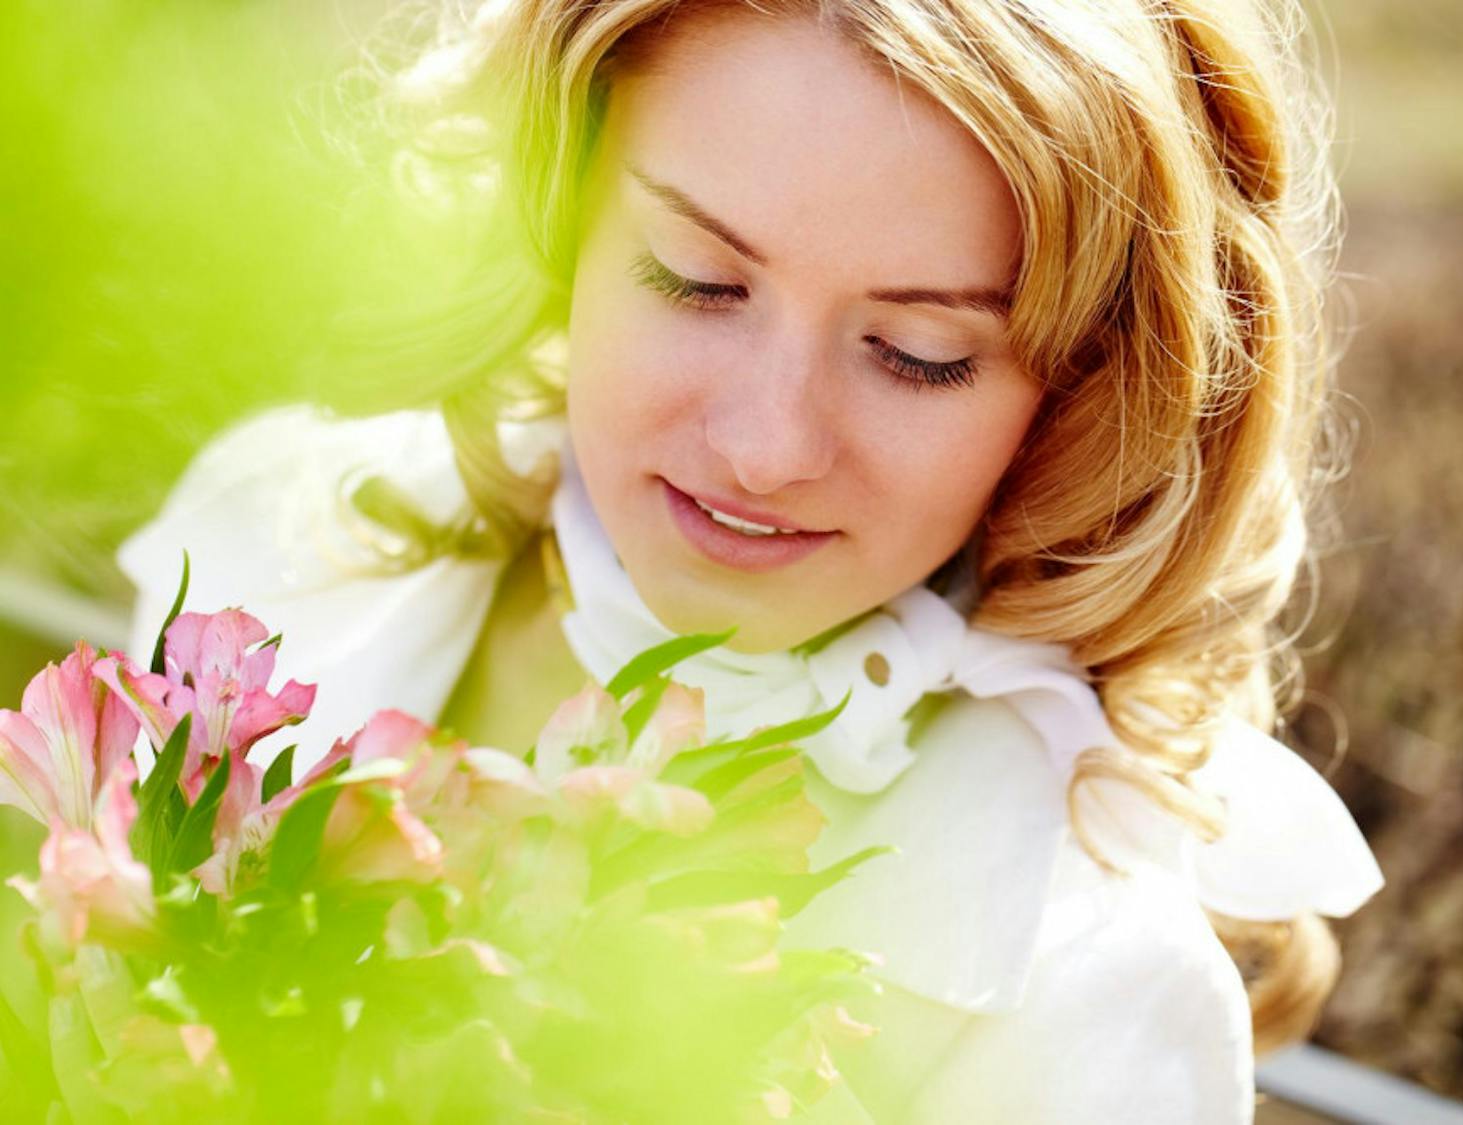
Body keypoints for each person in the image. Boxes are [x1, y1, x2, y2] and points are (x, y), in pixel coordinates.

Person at [118, 0, 1384, 1119]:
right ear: (560, 207)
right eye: (695, 280)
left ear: (1084, 394)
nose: (767, 448)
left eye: (918, 353)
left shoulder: (1085, 981)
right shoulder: (277, 531)